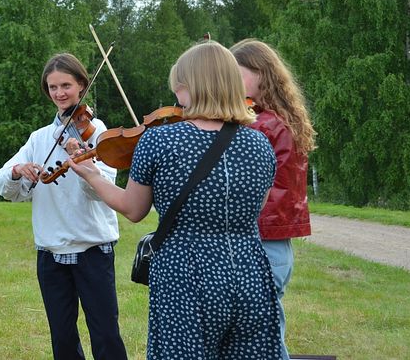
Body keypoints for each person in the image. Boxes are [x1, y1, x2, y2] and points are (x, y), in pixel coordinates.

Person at [69, 41, 281, 359]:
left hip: (186, 277)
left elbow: (134, 208)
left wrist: (92, 176)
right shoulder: (259, 144)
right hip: (251, 276)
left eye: (178, 86)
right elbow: (256, 207)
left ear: (189, 86)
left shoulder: (159, 139)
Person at [0, 53, 128, 360]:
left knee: (106, 334)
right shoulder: (40, 138)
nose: (59, 93)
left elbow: (102, 191)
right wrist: (18, 172)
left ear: (82, 85)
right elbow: (5, 186)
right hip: (51, 253)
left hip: (93, 249)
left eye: (66, 85)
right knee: (62, 337)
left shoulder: (99, 135)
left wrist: (84, 161)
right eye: (53, 87)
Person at [231, 38, 316, 360]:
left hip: (262, 242)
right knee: (264, 336)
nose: (231, 86)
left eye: (237, 76)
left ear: (262, 75)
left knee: (262, 343)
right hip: (273, 243)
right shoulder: (279, 119)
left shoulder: (262, 126)